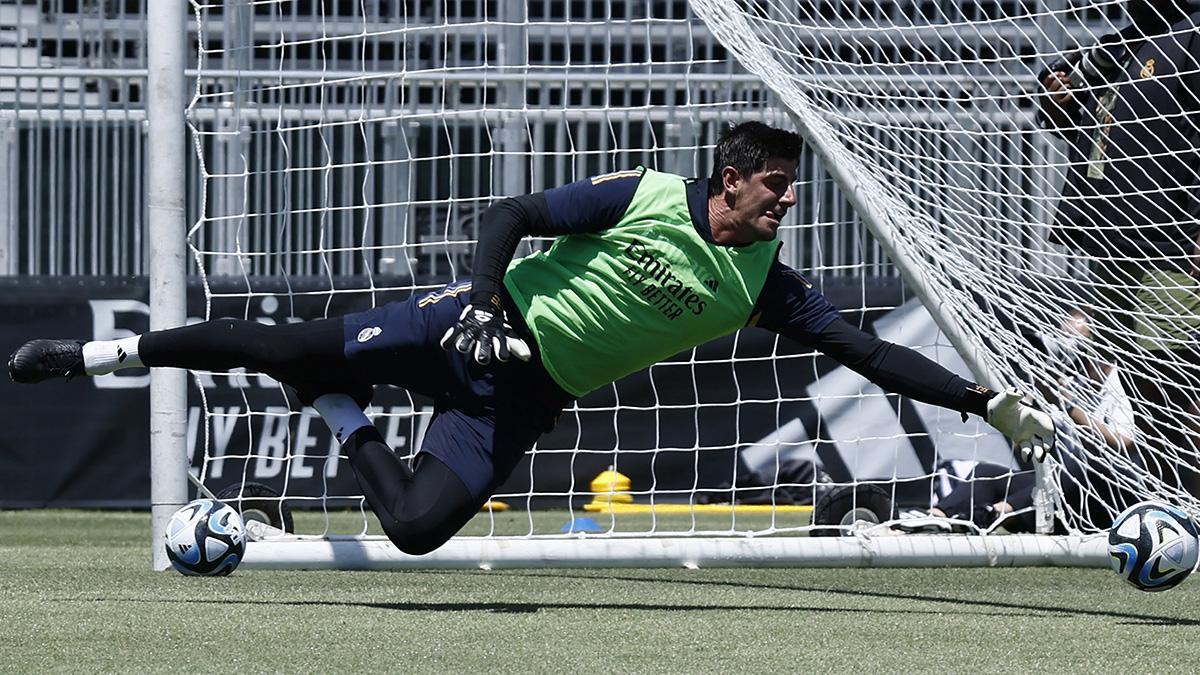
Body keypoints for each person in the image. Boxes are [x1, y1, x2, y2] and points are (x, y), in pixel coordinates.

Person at [7, 122, 1056, 555]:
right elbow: (509, 216)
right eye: (777, 188)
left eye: (791, 192)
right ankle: (96, 357)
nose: (787, 204)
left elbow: (871, 355)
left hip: (522, 398)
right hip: (464, 333)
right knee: (276, 343)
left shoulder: (763, 286)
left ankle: (336, 412)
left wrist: (984, 401)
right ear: (731, 178)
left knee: (418, 532)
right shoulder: (648, 194)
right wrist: (480, 299)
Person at [1038, 0, 1200, 493]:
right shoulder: (1114, 45)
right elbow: (1074, 128)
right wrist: (1059, 97)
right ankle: (1157, 499)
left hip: (1170, 240)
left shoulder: (1192, 34)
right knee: (1126, 382)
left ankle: (1185, 499)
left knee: (1171, 377)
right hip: (1110, 241)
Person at [918, 310, 1141, 533]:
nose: (1068, 351)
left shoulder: (1122, 380)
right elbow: (1022, 450)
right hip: (1066, 488)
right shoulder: (1072, 383)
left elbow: (1123, 444)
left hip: (1115, 495)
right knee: (987, 473)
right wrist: (1027, 410)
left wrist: (1068, 404)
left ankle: (994, 515)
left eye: (1074, 341)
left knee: (1084, 465)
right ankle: (933, 520)